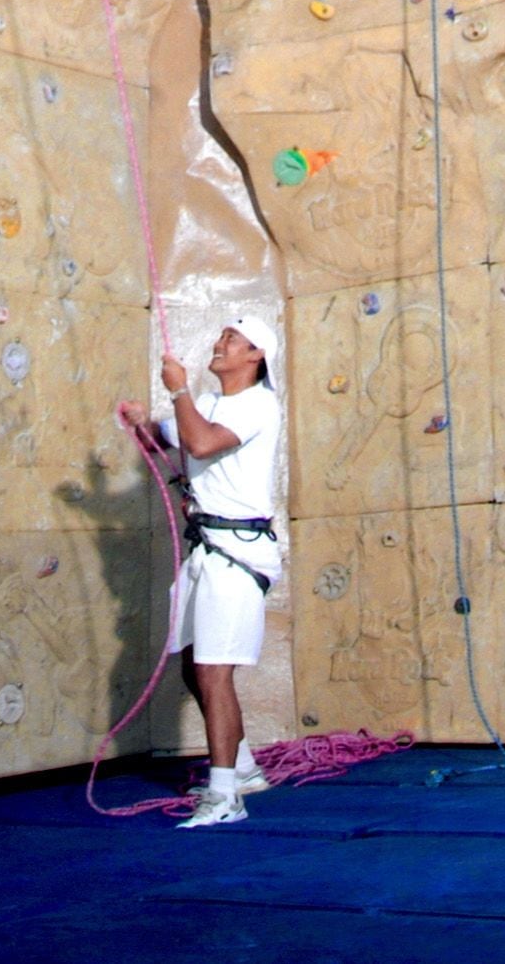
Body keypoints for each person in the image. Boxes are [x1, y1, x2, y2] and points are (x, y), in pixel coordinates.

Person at [120, 314, 284, 829]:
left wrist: (179, 391)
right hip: (208, 549)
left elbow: (203, 444)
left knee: (214, 671)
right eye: (222, 335)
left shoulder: (260, 403)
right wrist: (141, 422)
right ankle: (243, 768)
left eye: (233, 338)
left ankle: (224, 797)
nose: (220, 341)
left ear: (256, 355)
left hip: (237, 552)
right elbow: (166, 440)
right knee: (195, 666)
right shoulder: (209, 405)